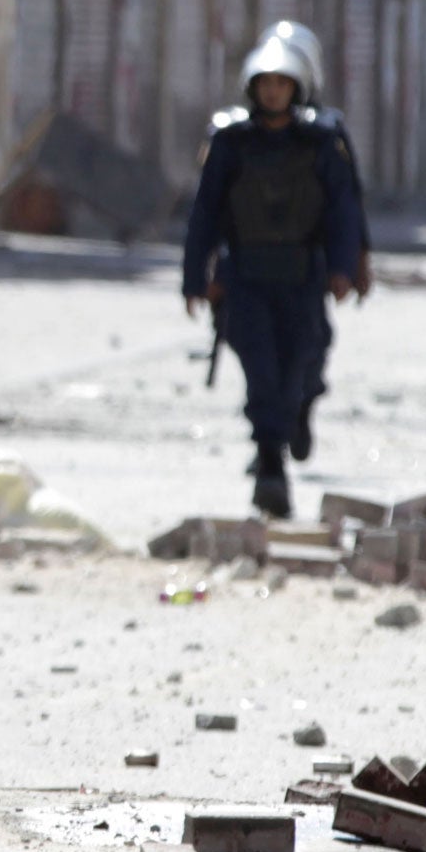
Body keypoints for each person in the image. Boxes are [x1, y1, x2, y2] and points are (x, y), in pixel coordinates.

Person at [183, 33, 362, 519]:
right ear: (253, 86)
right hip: (246, 278)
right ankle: (270, 467)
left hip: (302, 277)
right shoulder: (230, 142)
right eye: (266, 83)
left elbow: (345, 210)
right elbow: (205, 212)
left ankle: (291, 423)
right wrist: (195, 278)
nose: (274, 93)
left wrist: (346, 268)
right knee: (263, 374)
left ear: (297, 86)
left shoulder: (320, 142)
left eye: (283, 83)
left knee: (302, 365)